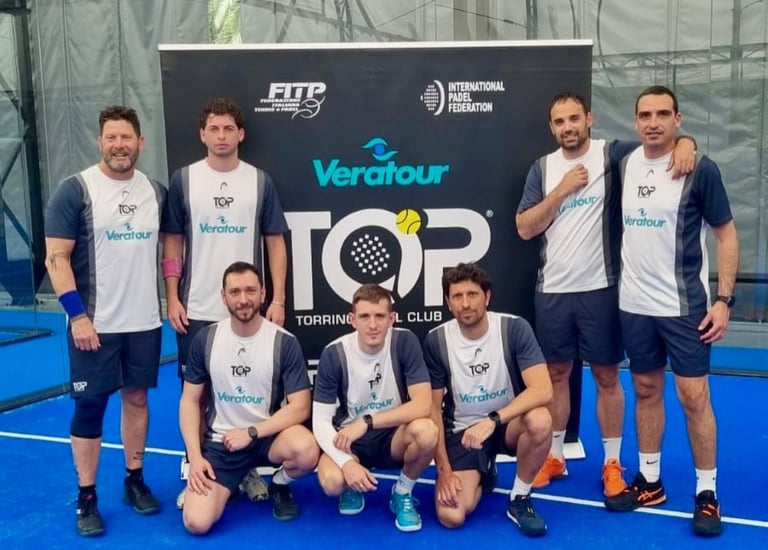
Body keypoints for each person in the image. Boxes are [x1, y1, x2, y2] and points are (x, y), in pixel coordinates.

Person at [516, 92, 695, 497]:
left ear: (589, 119)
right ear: (552, 128)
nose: (567, 127)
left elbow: (661, 142)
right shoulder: (542, 169)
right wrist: (561, 189)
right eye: (559, 122)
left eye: (574, 119)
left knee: (606, 376)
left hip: (602, 289)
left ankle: (612, 463)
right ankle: (555, 457)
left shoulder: (614, 155)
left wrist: (688, 143)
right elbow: (525, 228)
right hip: (553, 290)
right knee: (557, 375)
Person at [604, 85, 738, 538]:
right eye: (645, 114)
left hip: (685, 308)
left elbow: (726, 236)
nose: (654, 122)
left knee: (693, 396)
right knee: (644, 388)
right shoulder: (622, 157)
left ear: (679, 119)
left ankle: (706, 492)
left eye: (664, 114)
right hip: (634, 305)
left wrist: (724, 300)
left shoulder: (700, 168)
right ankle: (650, 481)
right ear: (635, 120)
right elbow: (579, 142)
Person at [44, 106, 166, 537]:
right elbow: (55, 257)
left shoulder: (155, 191)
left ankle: (134, 480)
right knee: (91, 405)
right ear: (101, 142)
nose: (119, 145)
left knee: (136, 400)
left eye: (126, 138)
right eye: (111, 138)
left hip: (145, 323)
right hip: (93, 323)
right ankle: (87, 496)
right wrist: (77, 315)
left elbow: (171, 248)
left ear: (140, 142)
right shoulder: (75, 190)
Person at [163, 97, 289, 505]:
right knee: (196, 396)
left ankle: (247, 470)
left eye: (228, 129)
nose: (221, 136)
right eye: (213, 129)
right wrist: (172, 296)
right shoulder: (184, 179)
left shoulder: (259, 181)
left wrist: (279, 298)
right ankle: (196, 471)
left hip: (249, 309)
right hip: (197, 307)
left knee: (249, 392)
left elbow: (275, 241)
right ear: (202, 134)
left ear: (241, 134)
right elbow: (173, 242)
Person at [179, 261, 319, 535]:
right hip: (222, 443)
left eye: (250, 291)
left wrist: (252, 432)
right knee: (196, 523)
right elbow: (189, 401)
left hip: (267, 436)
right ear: (223, 296)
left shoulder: (284, 341)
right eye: (235, 292)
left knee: (306, 449)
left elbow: (301, 406)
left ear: (263, 293)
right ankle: (231, 479)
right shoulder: (206, 340)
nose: (243, 300)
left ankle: (278, 483)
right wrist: (195, 458)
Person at [424, 263, 553, 537]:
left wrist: (493, 421)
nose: (465, 303)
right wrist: (444, 471)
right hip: (463, 432)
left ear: (487, 297)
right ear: (448, 302)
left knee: (540, 419)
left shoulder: (513, 328)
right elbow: (433, 410)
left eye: (472, 294)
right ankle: (485, 472)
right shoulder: (437, 340)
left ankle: (519, 498)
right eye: (457, 297)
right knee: (452, 515)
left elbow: (543, 389)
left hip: (507, 424)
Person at [312, 284, 437, 532]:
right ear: (352, 319)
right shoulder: (335, 353)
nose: (373, 325)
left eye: (380, 316)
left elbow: (423, 404)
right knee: (331, 482)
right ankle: (351, 484)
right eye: (365, 316)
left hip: (393, 435)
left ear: (392, 318)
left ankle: (402, 492)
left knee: (427, 431)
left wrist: (368, 420)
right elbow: (320, 422)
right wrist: (346, 464)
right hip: (350, 441)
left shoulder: (405, 342)